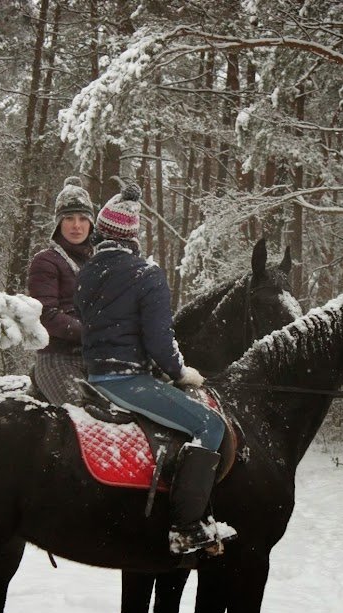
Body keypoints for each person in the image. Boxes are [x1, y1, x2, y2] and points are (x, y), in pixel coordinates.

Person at [75, 184, 234, 555]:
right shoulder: (145, 273)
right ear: (132, 236)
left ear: (102, 232)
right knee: (209, 424)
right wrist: (180, 372)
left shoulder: (86, 273)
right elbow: (160, 341)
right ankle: (186, 527)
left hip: (95, 376)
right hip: (128, 380)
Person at [27, 176, 96, 405]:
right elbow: (46, 314)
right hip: (57, 359)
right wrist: (92, 333)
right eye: (69, 218)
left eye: (82, 218)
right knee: (84, 417)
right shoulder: (46, 261)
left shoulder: (98, 263)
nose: (76, 225)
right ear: (59, 223)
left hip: (96, 359)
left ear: (91, 224)